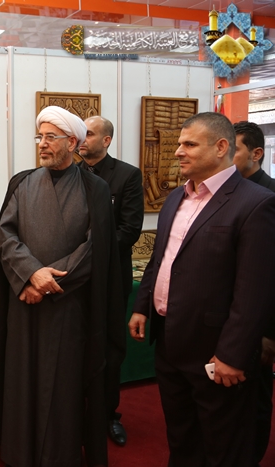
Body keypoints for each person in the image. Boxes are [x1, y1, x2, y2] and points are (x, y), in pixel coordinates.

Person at [0, 106, 123, 467]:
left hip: (67, 305)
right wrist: (31, 274)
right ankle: (18, 451)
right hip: (23, 301)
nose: (42, 144)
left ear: (72, 143)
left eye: (50, 137)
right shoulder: (22, 182)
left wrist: (46, 282)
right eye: (39, 137)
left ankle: (58, 454)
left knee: (62, 383)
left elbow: (95, 248)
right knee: (21, 378)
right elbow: (6, 235)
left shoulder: (95, 188)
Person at [128, 112, 275, 466]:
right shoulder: (175, 198)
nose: (178, 151)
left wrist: (233, 354)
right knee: (182, 436)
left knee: (224, 446)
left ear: (221, 147)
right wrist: (142, 305)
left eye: (189, 144)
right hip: (170, 342)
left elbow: (254, 291)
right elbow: (161, 259)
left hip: (216, 351)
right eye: (179, 143)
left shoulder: (256, 203)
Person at [79, 115, 144, 447]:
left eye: (89, 134)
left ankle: (107, 415)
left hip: (110, 278)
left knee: (108, 350)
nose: (82, 139)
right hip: (74, 279)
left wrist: (87, 255)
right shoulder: (70, 173)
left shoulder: (127, 175)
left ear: (106, 140)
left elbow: (129, 230)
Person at [233, 120, 275, 465]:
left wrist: (270, 333)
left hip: (260, 325)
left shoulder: (270, 198)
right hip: (228, 319)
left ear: (256, 153)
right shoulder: (224, 193)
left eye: (232, 150)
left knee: (256, 399)